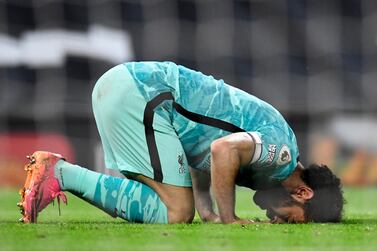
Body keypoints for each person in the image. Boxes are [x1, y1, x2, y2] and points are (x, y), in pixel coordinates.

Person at [17, 61, 344, 224]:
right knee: (177, 210)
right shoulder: (281, 154)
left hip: (128, 89)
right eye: (288, 218)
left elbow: (204, 152)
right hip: (141, 95)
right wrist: (229, 219)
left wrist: (208, 212)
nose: (275, 220)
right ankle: (61, 173)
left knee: (174, 208)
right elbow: (222, 150)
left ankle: (60, 174)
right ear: (303, 192)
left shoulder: (273, 157)